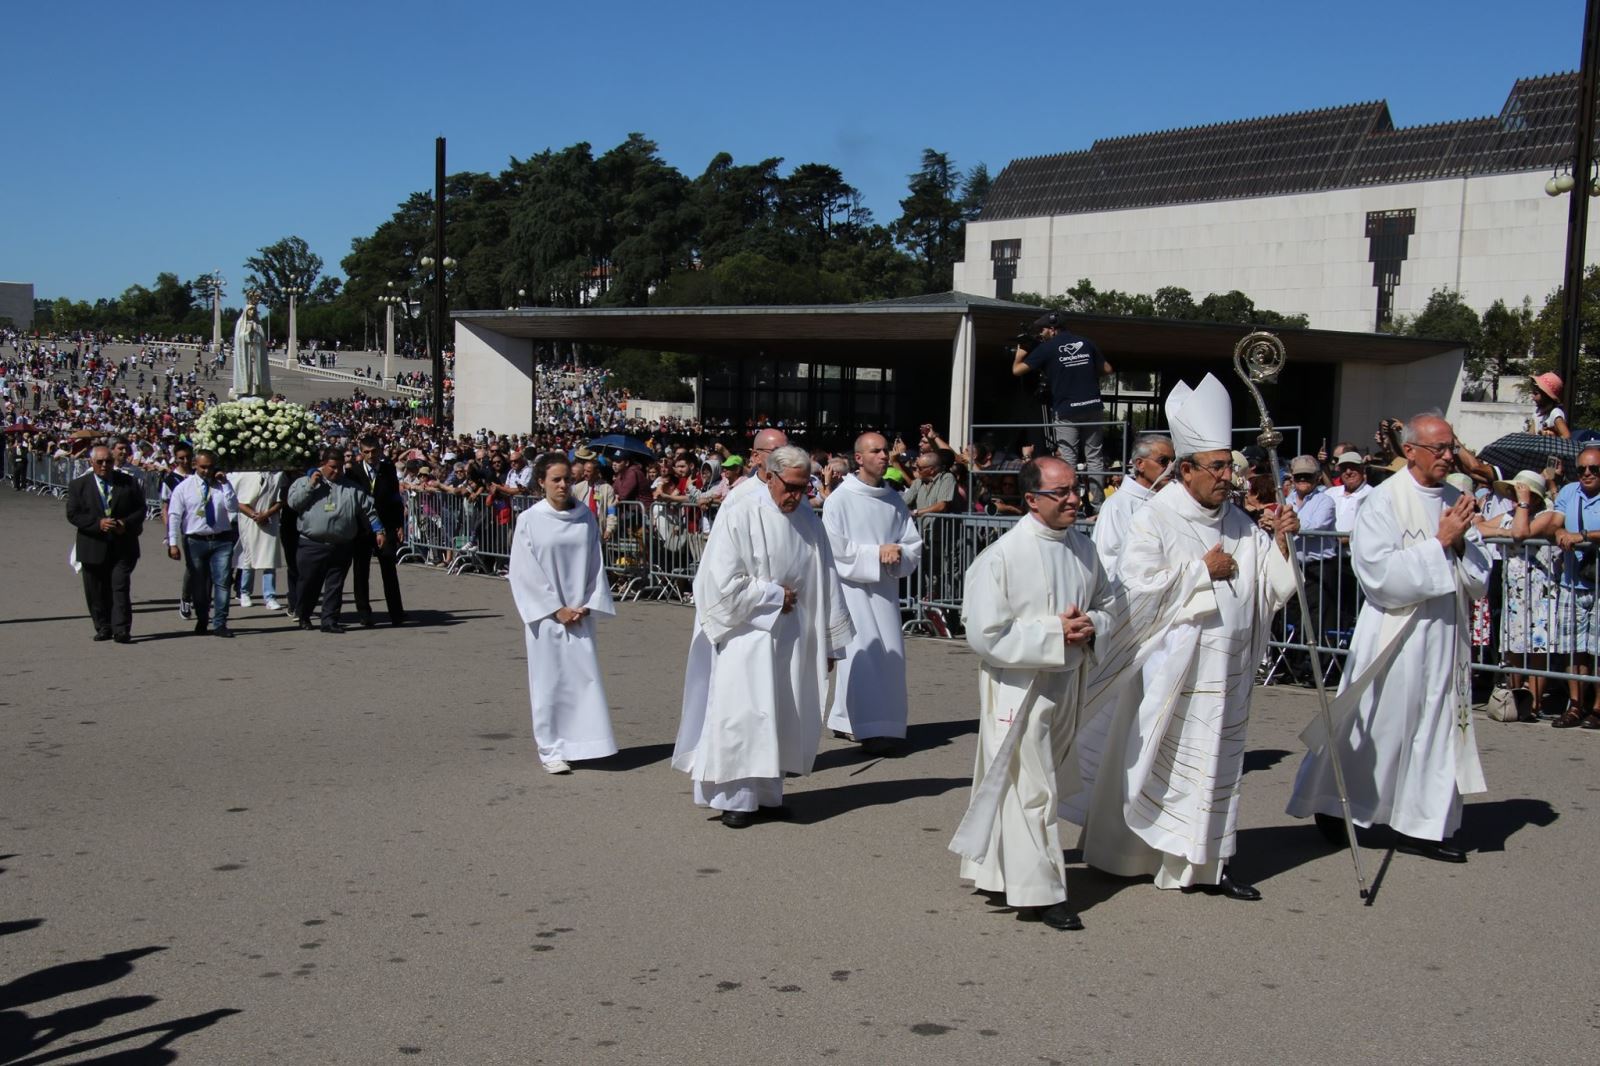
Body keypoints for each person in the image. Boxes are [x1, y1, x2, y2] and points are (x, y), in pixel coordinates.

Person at [1068, 374, 1299, 901]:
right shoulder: (1155, 517)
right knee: (1164, 764)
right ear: (1187, 469)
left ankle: (1206, 864)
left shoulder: (1239, 521)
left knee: (1218, 766)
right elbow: (1134, 591)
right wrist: (1200, 571)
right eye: (1217, 467)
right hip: (1174, 670)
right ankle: (1134, 855)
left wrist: (1282, 544)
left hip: (1229, 668)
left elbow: (1269, 586)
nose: (1228, 477)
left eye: (1230, 466)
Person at [1287, 414, 1492, 862]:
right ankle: (1337, 806)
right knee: (1379, 725)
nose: (1447, 456)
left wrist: (1458, 543)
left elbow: (1479, 576)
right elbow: (1378, 577)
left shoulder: (1458, 499)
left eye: (1450, 447)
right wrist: (1438, 544)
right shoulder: (1384, 502)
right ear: (1411, 451)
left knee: (1435, 728)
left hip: (1443, 636)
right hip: (1393, 635)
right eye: (1438, 448)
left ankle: (1423, 824)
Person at [948, 458, 1113, 931]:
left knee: (1029, 785)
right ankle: (1041, 893)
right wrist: (1054, 632)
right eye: (1060, 492)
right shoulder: (1001, 557)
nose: (1073, 499)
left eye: (1074, 489)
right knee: (1032, 788)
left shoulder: (1084, 548)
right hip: (1020, 688)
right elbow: (984, 634)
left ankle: (995, 869)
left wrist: (1092, 625)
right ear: (1032, 500)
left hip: (1068, 682)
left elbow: (1109, 602)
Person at [671, 444, 854, 828]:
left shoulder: (808, 519)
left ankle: (769, 794)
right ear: (769, 476)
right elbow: (720, 583)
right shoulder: (741, 512)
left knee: (783, 713)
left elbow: (827, 579)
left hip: (793, 637)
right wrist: (773, 595)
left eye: (804, 488)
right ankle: (736, 798)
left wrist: (829, 641)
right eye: (789, 486)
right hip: (748, 635)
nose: (796, 496)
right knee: (745, 715)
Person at [508, 454, 617, 774]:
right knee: (548, 682)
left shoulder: (584, 516)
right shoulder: (529, 519)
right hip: (547, 616)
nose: (563, 485)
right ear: (541, 481)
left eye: (567, 479)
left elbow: (595, 562)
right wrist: (556, 609)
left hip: (580, 612)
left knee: (582, 680)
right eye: (556, 479)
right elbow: (524, 571)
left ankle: (581, 743)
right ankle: (550, 748)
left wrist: (587, 602)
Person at [821, 432, 923, 755]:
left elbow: (912, 544)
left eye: (884, 451)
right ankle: (866, 727)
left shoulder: (893, 500)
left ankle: (862, 721)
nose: (883, 456)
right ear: (859, 458)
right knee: (861, 655)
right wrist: (877, 553)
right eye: (875, 451)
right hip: (851, 592)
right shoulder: (840, 499)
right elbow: (835, 548)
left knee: (889, 657)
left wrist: (899, 555)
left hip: (885, 592)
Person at [1012, 311, 1113, 503]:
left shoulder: (1047, 348)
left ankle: (1069, 502)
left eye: (1042, 330)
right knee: (1095, 456)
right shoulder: (1086, 342)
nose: (1040, 334)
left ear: (1052, 329)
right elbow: (1107, 369)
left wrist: (1021, 349)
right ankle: (1098, 504)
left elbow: (1017, 370)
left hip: (1067, 410)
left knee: (1068, 459)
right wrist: (1083, 373)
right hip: (1092, 406)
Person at [288, 447, 385, 633]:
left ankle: (329, 620)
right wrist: (311, 485)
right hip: (312, 543)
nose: (336, 471)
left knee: (335, 584)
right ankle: (304, 614)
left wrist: (379, 531)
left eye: (340, 467)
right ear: (322, 464)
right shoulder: (303, 483)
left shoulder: (351, 488)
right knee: (309, 583)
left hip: (341, 544)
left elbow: (369, 510)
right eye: (332, 467)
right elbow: (294, 503)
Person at [66, 443, 146, 643]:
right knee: (96, 590)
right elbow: (73, 514)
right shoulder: (79, 485)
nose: (104, 465)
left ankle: (121, 629)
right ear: (91, 462)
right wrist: (97, 524)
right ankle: (103, 626)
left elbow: (140, 509)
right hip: (92, 545)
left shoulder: (128, 482)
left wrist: (124, 524)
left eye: (108, 461)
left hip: (122, 546)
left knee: (120, 587)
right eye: (99, 462)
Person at [1548, 444, 1600, 729]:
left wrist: (1582, 535)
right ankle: (1575, 705)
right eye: (1582, 469)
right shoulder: (1569, 492)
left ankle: (1598, 708)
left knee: (1599, 650)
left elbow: (1580, 535)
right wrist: (1559, 533)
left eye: (1594, 469)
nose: (1587, 474)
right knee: (1573, 648)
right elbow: (1555, 523)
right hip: (1572, 582)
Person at [165, 449, 240, 637]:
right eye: (203, 467)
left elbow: (232, 506)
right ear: (195, 466)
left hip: (221, 539)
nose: (207, 471)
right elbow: (174, 516)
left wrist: (225, 484)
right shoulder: (184, 487)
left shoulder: (221, 485)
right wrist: (172, 543)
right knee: (199, 584)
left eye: (210, 467)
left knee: (222, 582)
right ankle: (202, 618)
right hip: (195, 540)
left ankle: (220, 622)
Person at [1091, 432, 1173, 571]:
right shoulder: (1117, 505)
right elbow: (1106, 561)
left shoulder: (1172, 500)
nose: (1171, 467)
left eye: (1174, 461)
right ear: (1140, 464)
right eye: (1163, 461)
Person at [349, 434, 407, 626]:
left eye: (374, 451)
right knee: (361, 571)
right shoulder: (354, 473)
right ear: (361, 452)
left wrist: (399, 524)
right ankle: (364, 613)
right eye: (366, 452)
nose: (370, 455)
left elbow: (395, 499)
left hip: (387, 525)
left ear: (379, 451)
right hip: (362, 529)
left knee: (389, 570)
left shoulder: (388, 470)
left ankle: (396, 613)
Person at [232, 469, 285, 611]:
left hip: (269, 520)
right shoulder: (245, 474)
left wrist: (267, 514)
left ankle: (270, 596)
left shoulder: (277, 474)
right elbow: (239, 501)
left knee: (269, 558)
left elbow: (280, 501)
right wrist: (255, 515)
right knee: (248, 557)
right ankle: (244, 592)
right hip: (249, 520)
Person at [159, 442, 198, 619]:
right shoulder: (170, 480)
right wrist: (170, 533)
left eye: (188, 457)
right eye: (181, 458)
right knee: (192, 566)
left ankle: (200, 597)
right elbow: (165, 508)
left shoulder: (199, 475)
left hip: (200, 524)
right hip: (183, 527)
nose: (185, 461)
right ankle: (186, 598)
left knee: (205, 566)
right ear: (176, 458)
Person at [231, 301, 271, 399]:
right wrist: (248, 333)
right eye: (250, 310)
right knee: (247, 371)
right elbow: (238, 340)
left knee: (256, 372)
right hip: (245, 352)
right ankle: (245, 390)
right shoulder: (241, 323)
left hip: (256, 352)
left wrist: (256, 333)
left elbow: (262, 339)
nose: (252, 312)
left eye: (254, 310)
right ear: (246, 311)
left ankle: (256, 390)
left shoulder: (258, 324)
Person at [1530, 371, 1570, 438]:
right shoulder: (1537, 412)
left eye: (1536, 393)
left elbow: (1566, 436)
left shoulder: (1555, 413)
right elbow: (1531, 434)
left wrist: (1553, 436)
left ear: (1547, 396)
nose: (1533, 397)